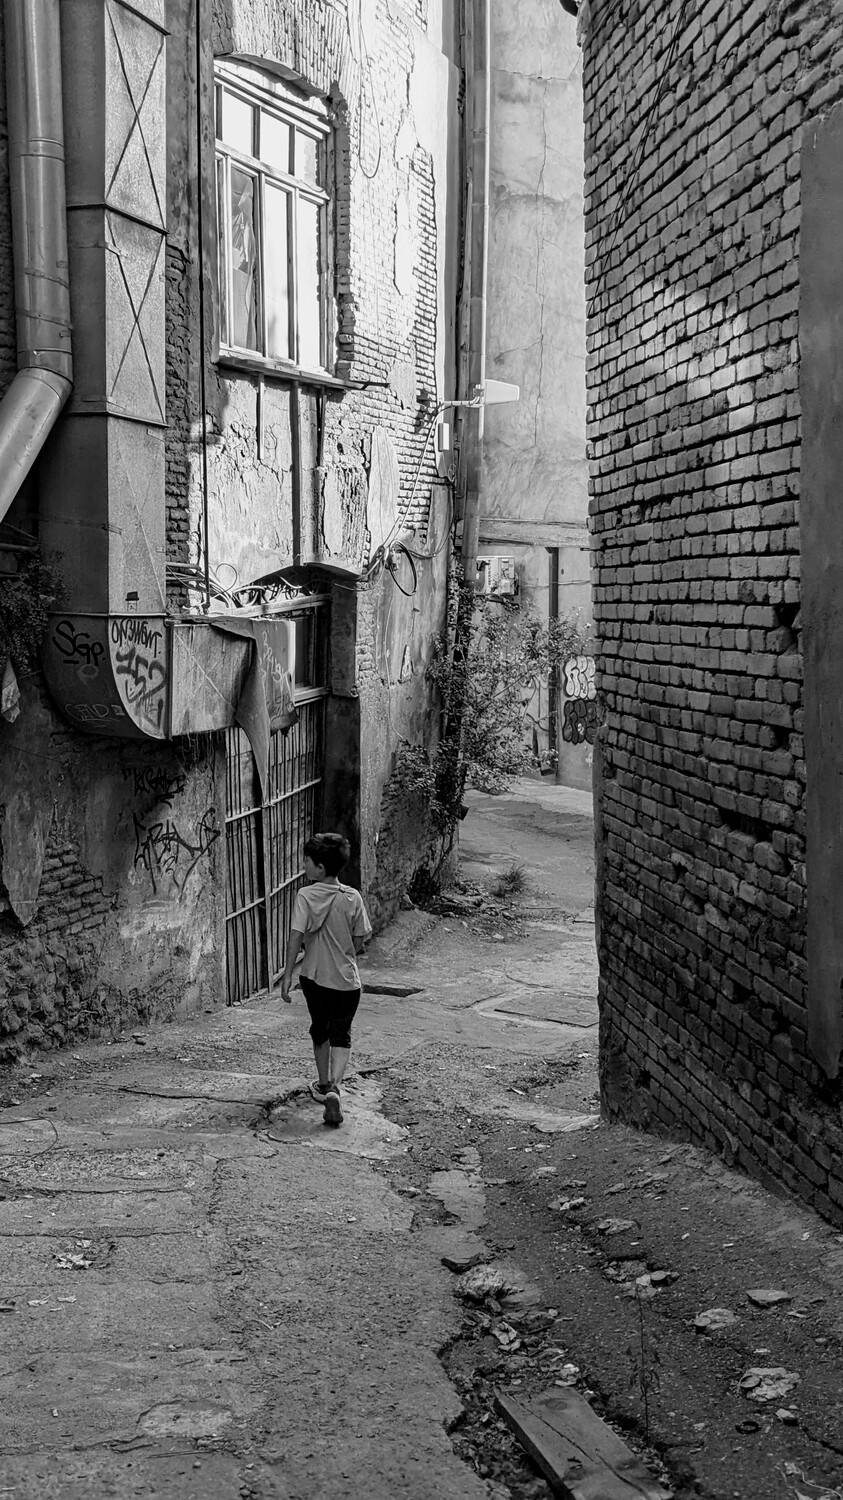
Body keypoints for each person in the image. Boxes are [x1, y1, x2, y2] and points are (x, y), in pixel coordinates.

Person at [280, 832, 372, 1127]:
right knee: (342, 1033)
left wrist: (287, 975)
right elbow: (360, 938)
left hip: (314, 977)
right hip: (346, 981)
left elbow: (296, 936)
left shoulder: (305, 896)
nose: (304, 865)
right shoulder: (352, 897)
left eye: (307, 861)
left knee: (320, 1029)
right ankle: (335, 1087)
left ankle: (323, 1084)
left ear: (320, 867)